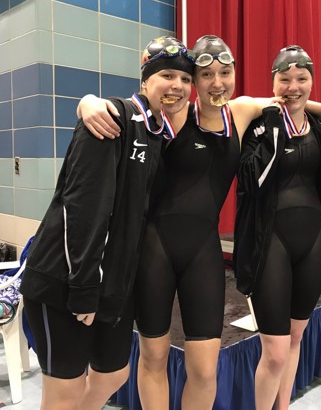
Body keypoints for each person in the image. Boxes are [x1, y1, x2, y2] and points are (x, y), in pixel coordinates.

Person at [78, 36, 321, 409]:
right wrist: (86, 103)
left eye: (225, 72)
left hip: (204, 252)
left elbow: (290, 99)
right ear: (193, 80)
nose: (217, 83)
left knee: (205, 369)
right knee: (154, 358)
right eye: (206, 75)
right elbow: (122, 108)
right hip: (155, 249)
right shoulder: (174, 114)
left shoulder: (243, 111)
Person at [19, 36, 194, 410]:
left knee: (114, 374)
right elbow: (80, 209)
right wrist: (83, 287)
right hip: (65, 282)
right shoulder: (111, 119)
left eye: (185, 79)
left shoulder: (157, 133)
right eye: (167, 75)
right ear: (145, 77)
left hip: (112, 284)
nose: (177, 86)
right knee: (63, 393)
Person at [233, 45, 321, 410]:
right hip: (269, 242)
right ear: (272, 81)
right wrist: (274, 125)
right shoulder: (257, 126)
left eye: (302, 79)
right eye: (285, 79)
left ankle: (283, 406)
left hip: (315, 240)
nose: (293, 86)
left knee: (294, 338)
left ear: (312, 82)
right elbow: (248, 180)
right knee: (274, 350)